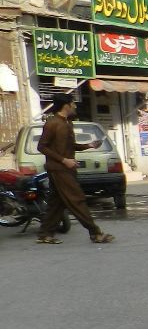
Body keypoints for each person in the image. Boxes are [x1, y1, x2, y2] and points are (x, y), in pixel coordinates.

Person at [36, 93, 113, 244]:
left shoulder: (67, 123)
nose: (75, 106)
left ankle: (45, 234)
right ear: (66, 106)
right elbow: (42, 147)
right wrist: (64, 160)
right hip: (59, 169)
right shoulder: (53, 123)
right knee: (77, 200)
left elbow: (70, 146)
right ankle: (95, 233)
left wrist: (89, 146)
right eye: (73, 104)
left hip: (66, 168)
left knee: (57, 202)